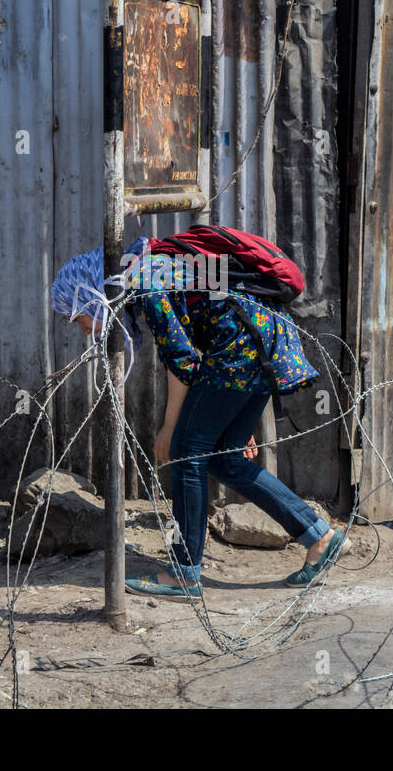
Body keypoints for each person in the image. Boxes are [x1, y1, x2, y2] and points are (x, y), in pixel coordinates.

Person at [50, 239, 345, 599]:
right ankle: (320, 536)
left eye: (75, 315)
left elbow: (184, 360)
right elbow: (207, 328)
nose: (82, 329)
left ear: (90, 292)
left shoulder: (147, 277)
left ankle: (184, 573)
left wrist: (170, 428)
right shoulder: (154, 268)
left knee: (187, 454)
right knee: (226, 458)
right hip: (266, 345)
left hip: (240, 353)